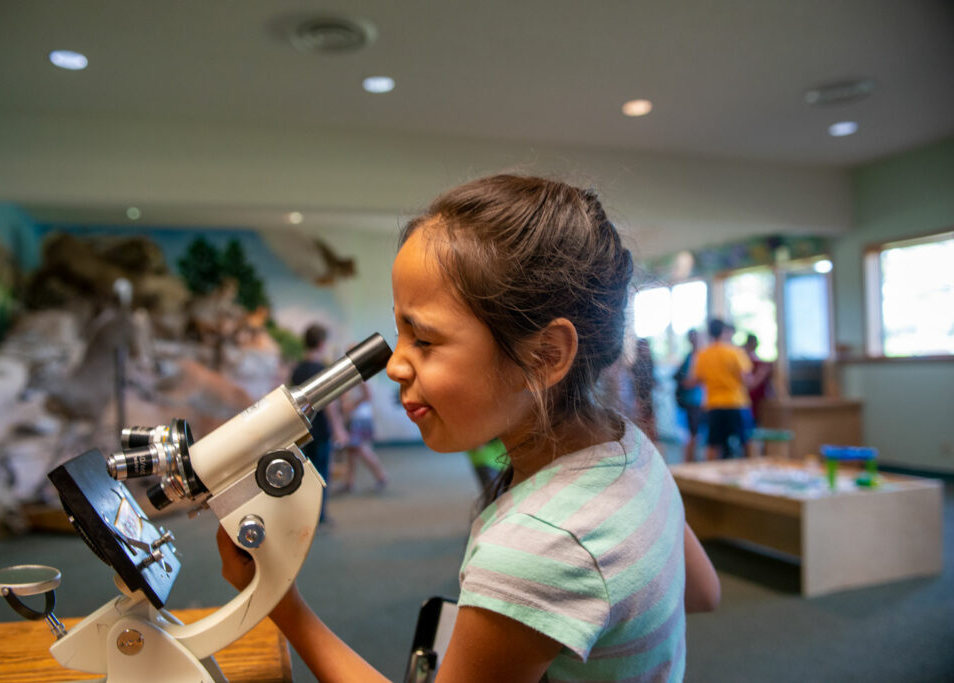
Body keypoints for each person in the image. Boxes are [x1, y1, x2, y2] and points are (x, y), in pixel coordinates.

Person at [219, 175, 720, 682]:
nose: (395, 365)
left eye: (426, 340)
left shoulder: (540, 545)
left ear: (545, 355)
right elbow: (702, 592)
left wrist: (283, 605)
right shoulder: (631, 448)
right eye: (400, 332)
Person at [290, 323, 348, 525]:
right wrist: (339, 429)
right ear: (322, 343)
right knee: (321, 473)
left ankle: (304, 514)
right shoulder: (321, 369)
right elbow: (328, 404)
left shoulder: (297, 369)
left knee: (304, 475)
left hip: (302, 430)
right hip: (321, 430)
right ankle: (319, 515)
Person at [689, 318, 752, 460]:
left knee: (713, 445)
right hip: (736, 402)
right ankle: (749, 473)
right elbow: (747, 380)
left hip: (714, 404)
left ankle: (711, 479)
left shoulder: (703, 355)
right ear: (724, 331)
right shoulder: (735, 352)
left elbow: (696, 380)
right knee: (745, 442)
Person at [336, 382, 389, 493]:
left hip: (359, 417)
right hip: (356, 417)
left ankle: (381, 476)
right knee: (351, 450)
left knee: (360, 448)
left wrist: (352, 405)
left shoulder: (360, 379)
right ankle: (349, 482)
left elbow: (368, 395)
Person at [672, 329, 704, 462]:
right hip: (693, 401)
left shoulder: (698, 355)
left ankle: (691, 460)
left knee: (695, 434)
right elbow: (685, 379)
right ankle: (689, 461)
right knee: (692, 433)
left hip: (698, 400)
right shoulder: (690, 356)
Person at [629, 338, 658, 443]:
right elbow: (634, 384)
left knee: (651, 425)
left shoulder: (650, 363)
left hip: (649, 399)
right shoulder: (636, 365)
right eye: (642, 347)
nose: (644, 349)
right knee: (643, 425)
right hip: (640, 399)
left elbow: (651, 380)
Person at [743, 333, 774, 426]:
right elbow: (750, 383)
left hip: (758, 398)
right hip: (747, 397)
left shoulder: (757, 360)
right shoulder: (744, 359)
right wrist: (761, 373)